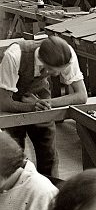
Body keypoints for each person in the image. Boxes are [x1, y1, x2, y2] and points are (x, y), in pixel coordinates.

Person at [0, 37, 87, 180]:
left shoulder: (66, 54)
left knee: (48, 155)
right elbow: (3, 102)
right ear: (41, 60)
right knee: (13, 156)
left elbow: (81, 96)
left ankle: (52, 194)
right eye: (53, 71)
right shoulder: (14, 55)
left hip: (39, 95)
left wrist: (46, 103)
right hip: (9, 97)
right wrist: (30, 106)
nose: (58, 75)